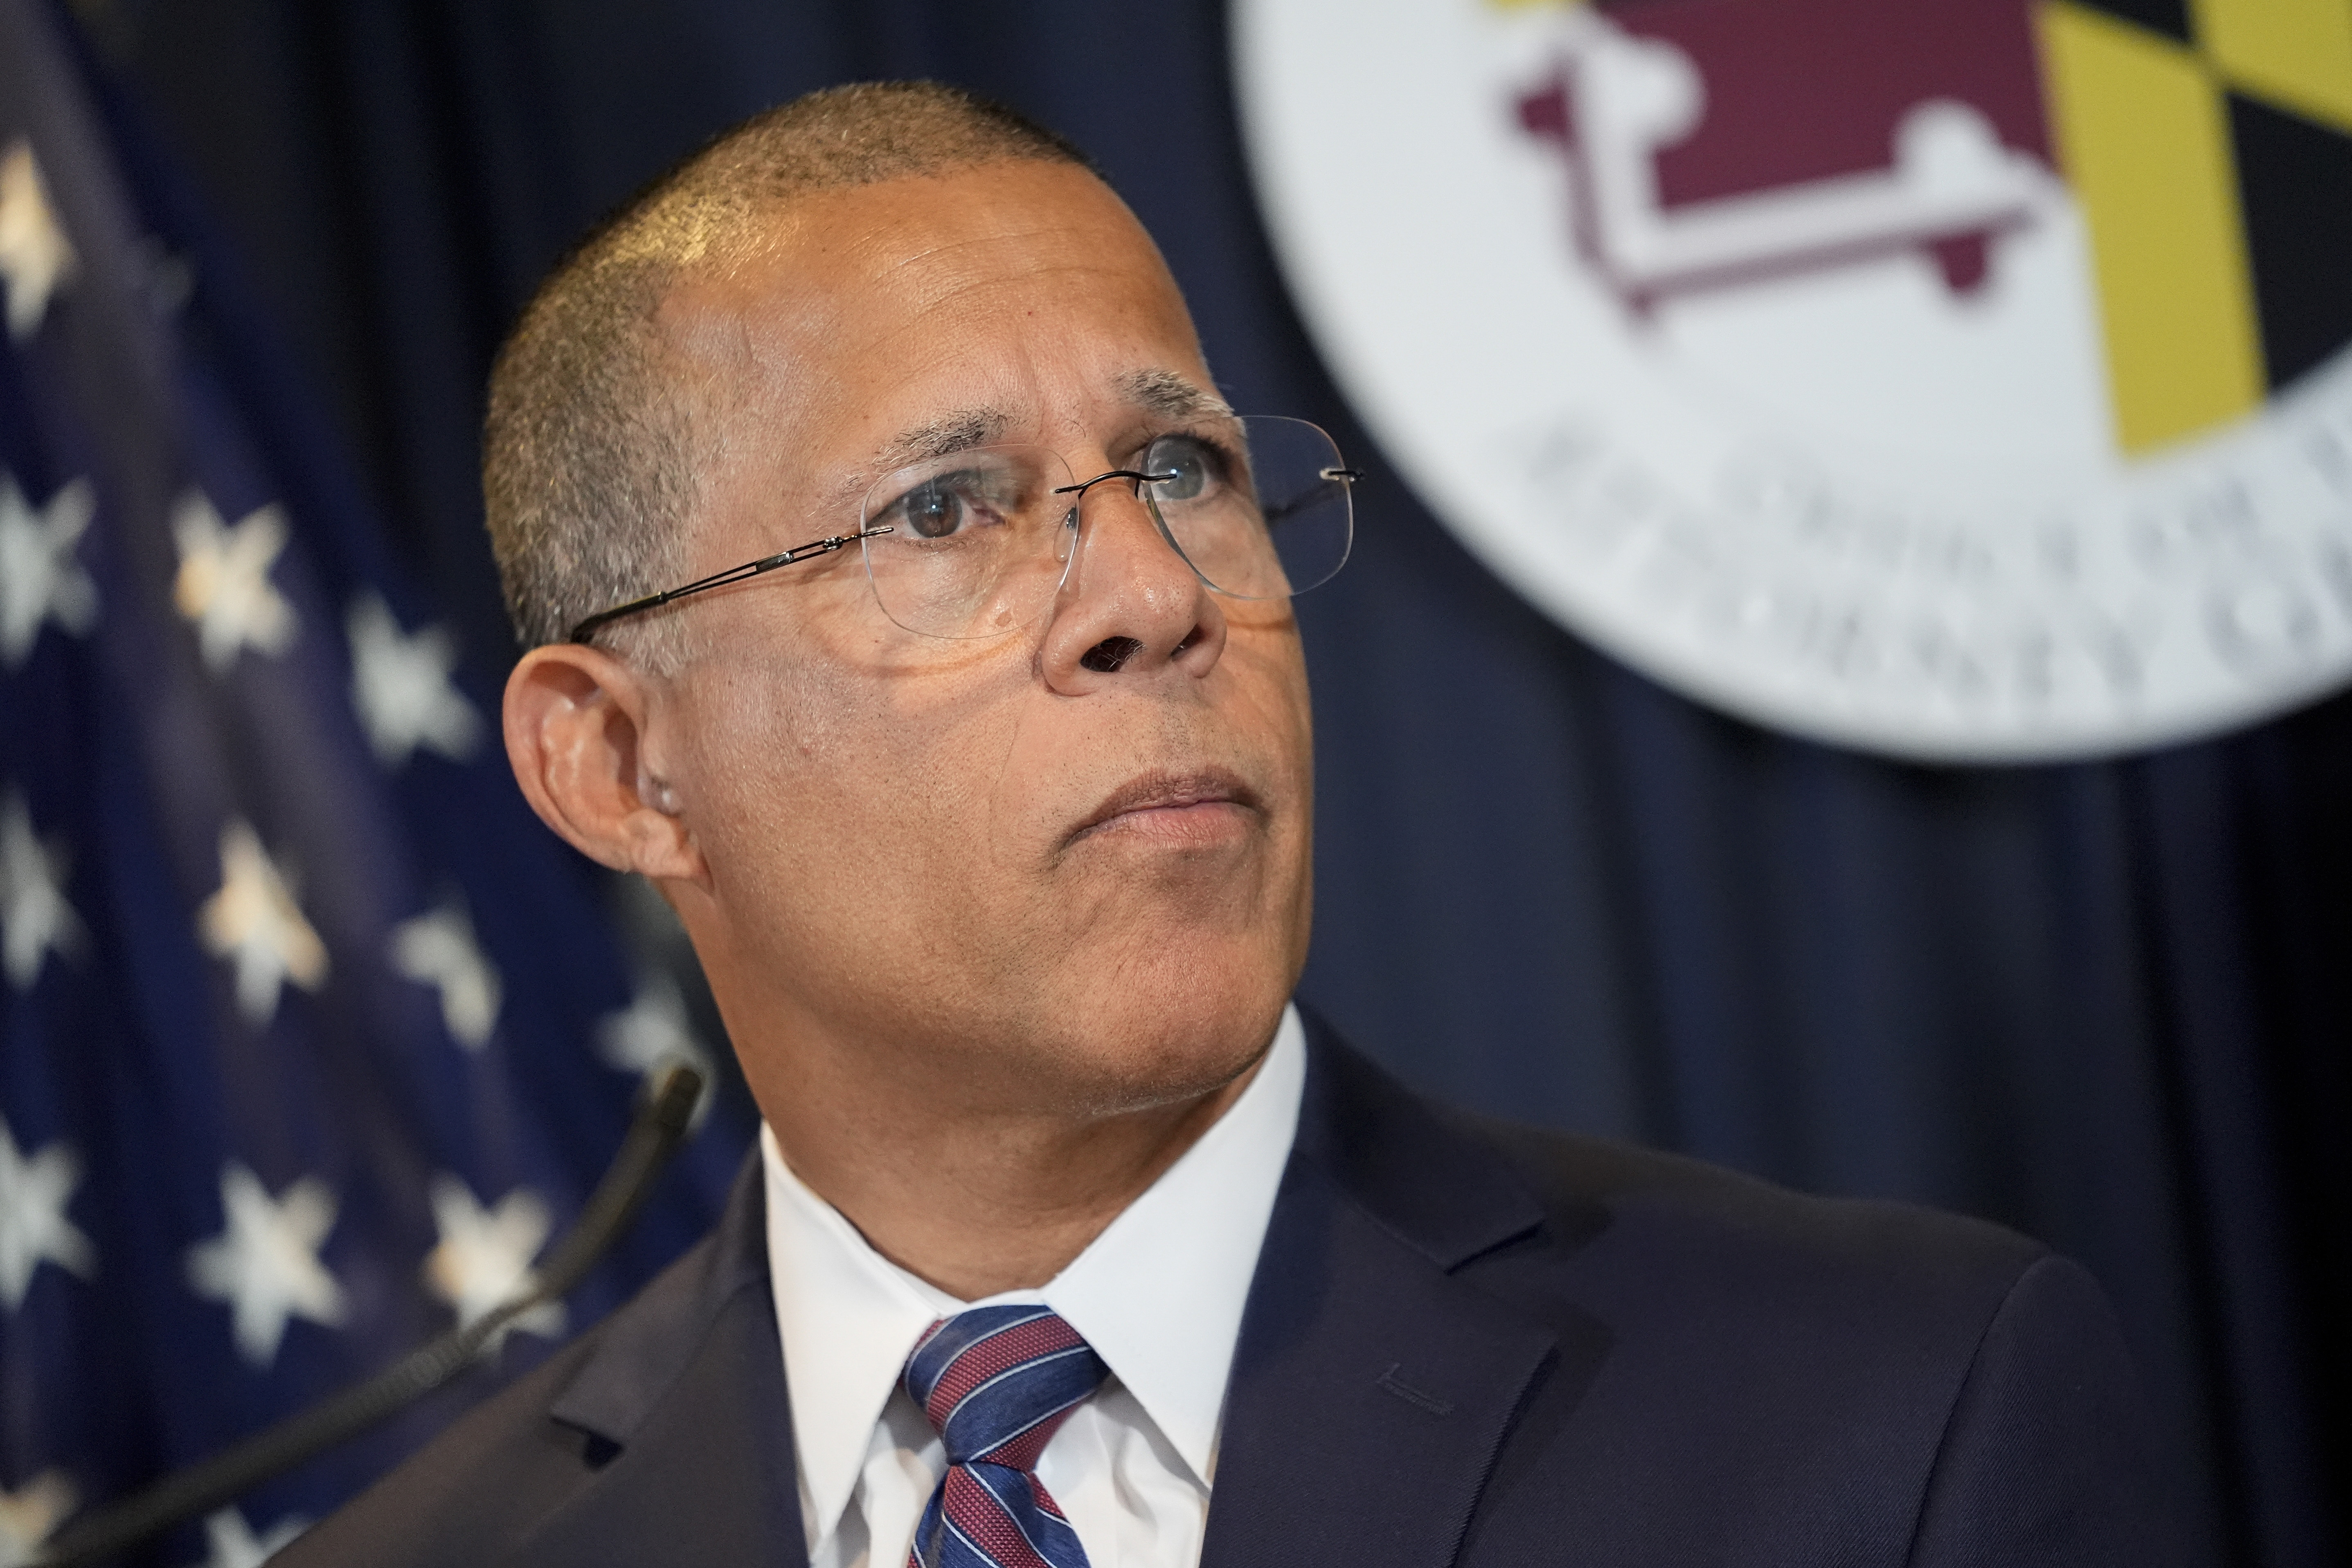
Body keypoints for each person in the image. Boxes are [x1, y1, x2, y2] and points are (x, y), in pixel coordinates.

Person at [277, 82, 2174, 1568]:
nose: (1154, 591)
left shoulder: (1889, 1413)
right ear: (619, 767)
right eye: (947, 511)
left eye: (1183, 467)